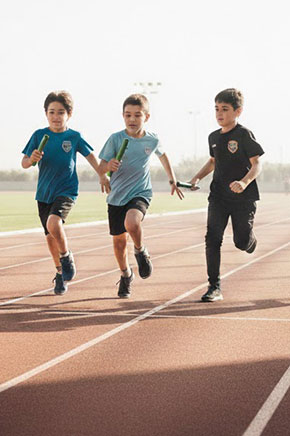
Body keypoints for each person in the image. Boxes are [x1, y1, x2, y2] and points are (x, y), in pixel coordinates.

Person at [21, 90, 110, 295]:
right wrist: (31, 158)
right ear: (46, 113)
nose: (56, 116)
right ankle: (60, 273)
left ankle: (66, 256)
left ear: (69, 114)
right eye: (52, 112)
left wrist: (102, 175)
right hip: (44, 193)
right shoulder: (38, 136)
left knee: (54, 223)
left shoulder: (74, 137)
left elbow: (92, 158)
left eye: (61, 112)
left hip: (67, 190)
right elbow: (25, 163)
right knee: (50, 237)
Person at [98, 94, 184, 298]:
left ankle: (140, 250)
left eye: (137, 115)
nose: (132, 119)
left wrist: (172, 179)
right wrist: (107, 168)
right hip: (116, 196)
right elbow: (101, 166)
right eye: (128, 115)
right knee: (119, 243)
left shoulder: (152, 139)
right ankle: (126, 275)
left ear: (147, 116)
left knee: (133, 223)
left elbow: (163, 157)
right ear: (122, 116)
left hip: (140, 192)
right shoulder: (115, 139)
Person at [188, 88, 264, 302]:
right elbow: (213, 161)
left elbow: (257, 163)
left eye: (224, 109)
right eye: (216, 109)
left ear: (238, 111)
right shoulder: (213, 137)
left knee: (241, 242)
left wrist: (244, 182)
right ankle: (214, 286)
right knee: (212, 239)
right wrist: (196, 178)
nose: (219, 113)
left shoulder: (243, 134)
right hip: (218, 197)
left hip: (243, 199)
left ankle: (249, 241)